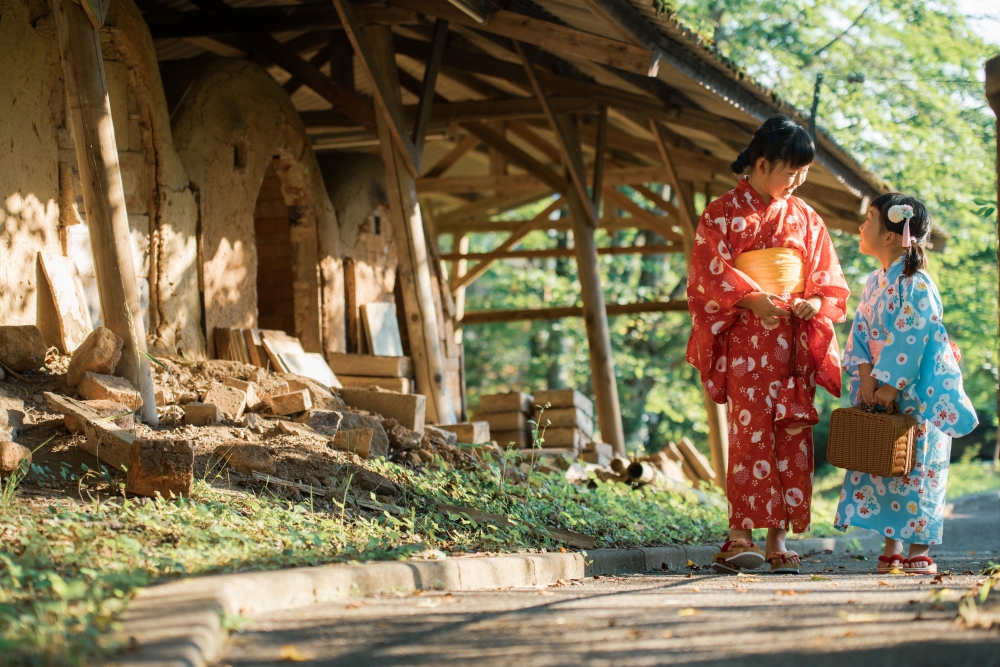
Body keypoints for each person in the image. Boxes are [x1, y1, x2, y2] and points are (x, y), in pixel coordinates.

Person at [687, 114, 850, 574]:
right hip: (745, 339)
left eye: (803, 175)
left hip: (793, 343)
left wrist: (813, 304)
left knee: (792, 432)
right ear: (762, 164)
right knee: (749, 433)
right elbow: (706, 272)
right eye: (790, 172)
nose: (798, 183)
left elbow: (828, 281)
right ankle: (740, 534)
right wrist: (751, 298)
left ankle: (779, 538)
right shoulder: (721, 212)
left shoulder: (805, 218)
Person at [834, 194, 977, 574]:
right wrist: (865, 377)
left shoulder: (916, 284)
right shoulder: (874, 282)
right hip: (880, 383)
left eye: (869, 220)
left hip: (914, 389)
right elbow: (860, 332)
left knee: (917, 464)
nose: (861, 227)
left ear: (892, 236)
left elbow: (914, 335)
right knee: (885, 462)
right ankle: (892, 545)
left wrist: (889, 386)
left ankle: (918, 549)